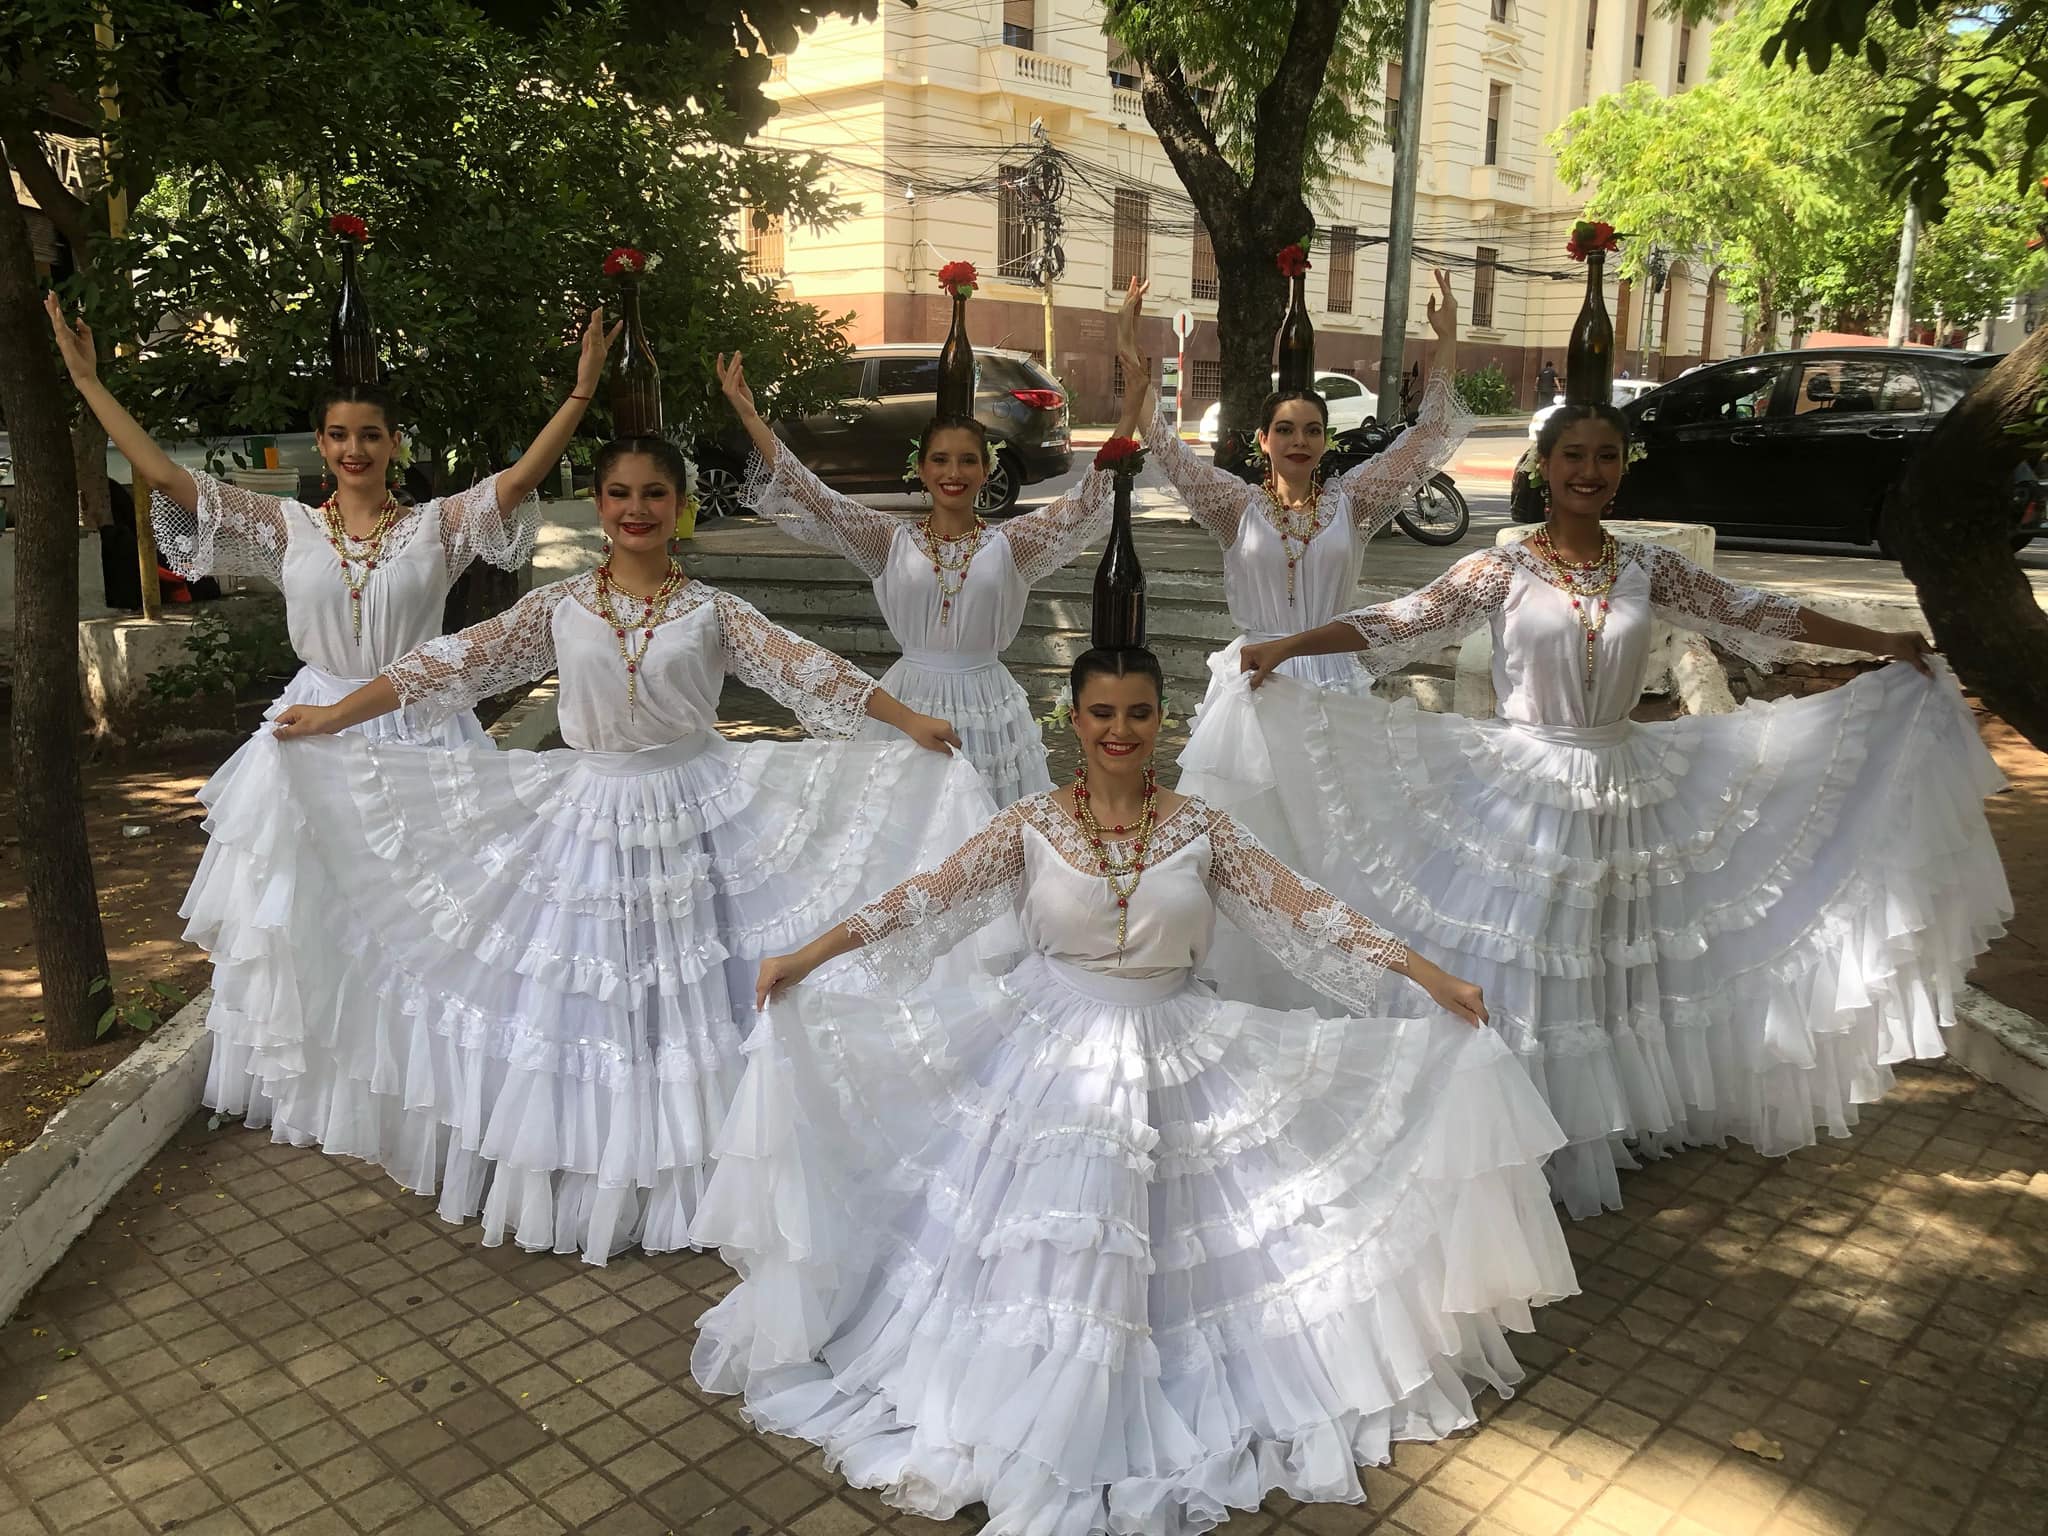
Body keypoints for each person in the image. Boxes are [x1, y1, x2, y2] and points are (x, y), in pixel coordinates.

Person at [689, 641, 1578, 1535]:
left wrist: (1430, 976)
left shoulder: (1203, 828)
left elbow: (1310, 908)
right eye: (1102, 712)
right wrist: (806, 956)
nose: (1120, 729)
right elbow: (921, 897)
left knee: (1182, 1241)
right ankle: (1038, 1402)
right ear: (1072, 721)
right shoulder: (1028, 823)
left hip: (1180, 1045)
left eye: (1139, 712)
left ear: (1164, 720)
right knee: (1054, 1242)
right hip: (1049, 1053)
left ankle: (1153, 1386)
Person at [1195, 403, 2012, 1218]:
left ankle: (1592, 1122)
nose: (1590, 471)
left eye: (1607, 456)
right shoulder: (1500, 567)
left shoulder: (1650, 567)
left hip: (1626, 784)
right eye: (1573, 456)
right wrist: (1285, 648)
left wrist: (1880, 644)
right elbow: (1395, 620)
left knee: (1606, 954)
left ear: (1623, 467)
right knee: (1534, 953)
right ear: (1542, 468)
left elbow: (1757, 612)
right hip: (1526, 789)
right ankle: (1510, 1129)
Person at [724, 344, 1153, 802]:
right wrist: (753, 420)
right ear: (921, 469)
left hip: (988, 705)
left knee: (987, 823)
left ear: (987, 470)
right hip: (908, 700)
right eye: (941, 460)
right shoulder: (887, 540)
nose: (955, 472)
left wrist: (1129, 413)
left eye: (968, 460)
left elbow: (1086, 498)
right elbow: (813, 496)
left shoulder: (1014, 543)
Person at [1123, 271, 1471, 694]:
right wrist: (1127, 345)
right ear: (1263, 440)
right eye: (1285, 430)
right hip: (1257, 679)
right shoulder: (1235, 505)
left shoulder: (1353, 502)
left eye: (1312, 430)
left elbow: (1428, 437)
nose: (1299, 441)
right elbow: (1165, 448)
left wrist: (1448, 340)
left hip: (1334, 679)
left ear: (1326, 440)